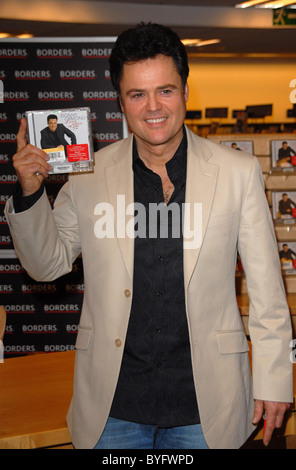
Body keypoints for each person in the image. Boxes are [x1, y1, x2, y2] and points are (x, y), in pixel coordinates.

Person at [5, 23, 293, 449]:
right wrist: (31, 193)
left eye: (166, 90)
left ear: (186, 91)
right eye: (137, 94)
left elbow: (268, 291)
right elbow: (47, 264)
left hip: (207, 406)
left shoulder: (237, 173)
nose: (153, 107)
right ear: (120, 100)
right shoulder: (89, 175)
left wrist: (275, 380)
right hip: (113, 408)